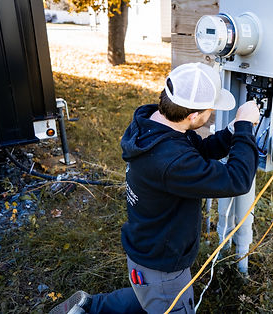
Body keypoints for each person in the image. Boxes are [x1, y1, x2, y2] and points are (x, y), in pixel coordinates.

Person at [50, 62, 260, 314]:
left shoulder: (153, 125)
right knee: (164, 299)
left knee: (147, 296)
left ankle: (89, 307)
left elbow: (196, 154)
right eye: (210, 111)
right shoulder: (171, 161)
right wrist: (246, 128)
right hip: (163, 265)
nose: (210, 115)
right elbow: (237, 179)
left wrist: (231, 132)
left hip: (146, 251)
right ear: (193, 116)